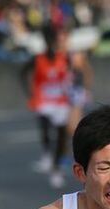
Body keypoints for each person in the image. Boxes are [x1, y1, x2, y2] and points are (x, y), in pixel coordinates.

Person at [22, 23, 71, 188]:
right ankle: (47, 156)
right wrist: (29, 93)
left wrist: (76, 91)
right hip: (43, 100)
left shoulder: (64, 57)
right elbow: (22, 73)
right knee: (45, 130)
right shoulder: (37, 59)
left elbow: (72, 75)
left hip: (60, 101)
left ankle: (56, 168)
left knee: (61, 135)